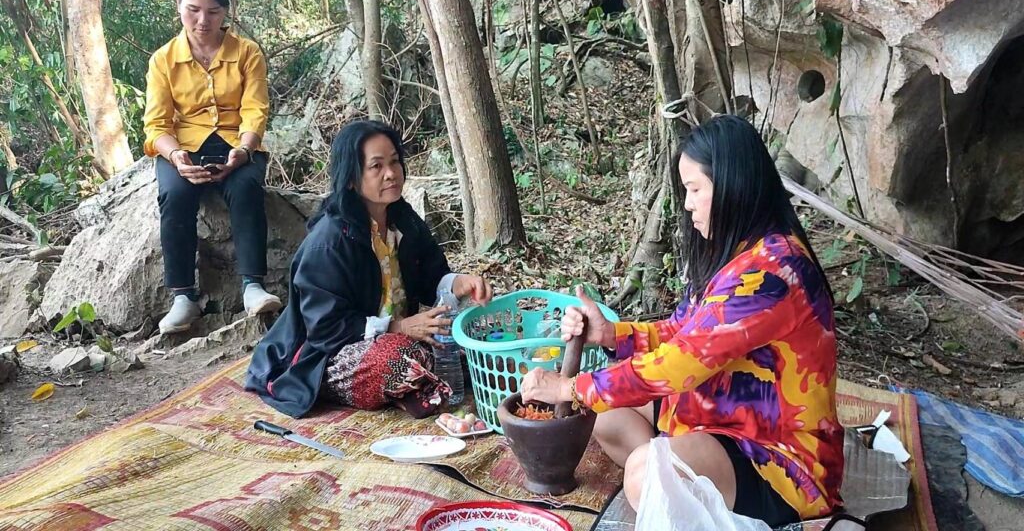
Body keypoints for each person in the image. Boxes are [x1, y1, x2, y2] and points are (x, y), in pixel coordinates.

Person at [521, 115, 844, 526]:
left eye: (695, 189)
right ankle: (678, 483)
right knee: (608, 418)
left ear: (731, 186)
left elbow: (681, 361)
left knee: (646, 473)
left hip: (776, 458)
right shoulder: (735, 254)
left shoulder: (773, 272)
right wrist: (612, 335)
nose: (688, 203)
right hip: (717, 415)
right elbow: (680, 331)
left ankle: (670, 480)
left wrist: (570, 387)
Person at [246, 120, 493, 419]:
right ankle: (412, 382)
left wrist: (458, 283)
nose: (391, 173)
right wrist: (399, 327)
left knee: (477, 341)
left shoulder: (403, 218)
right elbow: (326, 328)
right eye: (376, 166)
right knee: (399, 360)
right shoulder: (329, 242)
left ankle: (418, 384)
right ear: (351, 178)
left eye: (394, 161)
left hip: (403, 337)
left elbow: (432, 276)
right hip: (329, 354)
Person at [143, 0, 280, 334]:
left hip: (237, 141)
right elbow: (157, 125)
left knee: (246, 186)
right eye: (193, 10)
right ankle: (183, 297)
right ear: (178, 6)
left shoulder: (248, 53)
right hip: (184, 145)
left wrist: (244, 150)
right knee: (174, 195)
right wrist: (176, 157)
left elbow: (255, 109)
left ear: (225, 12)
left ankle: (252, 286)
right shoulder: (163, 60)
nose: (203, 21)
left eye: (213, 12)